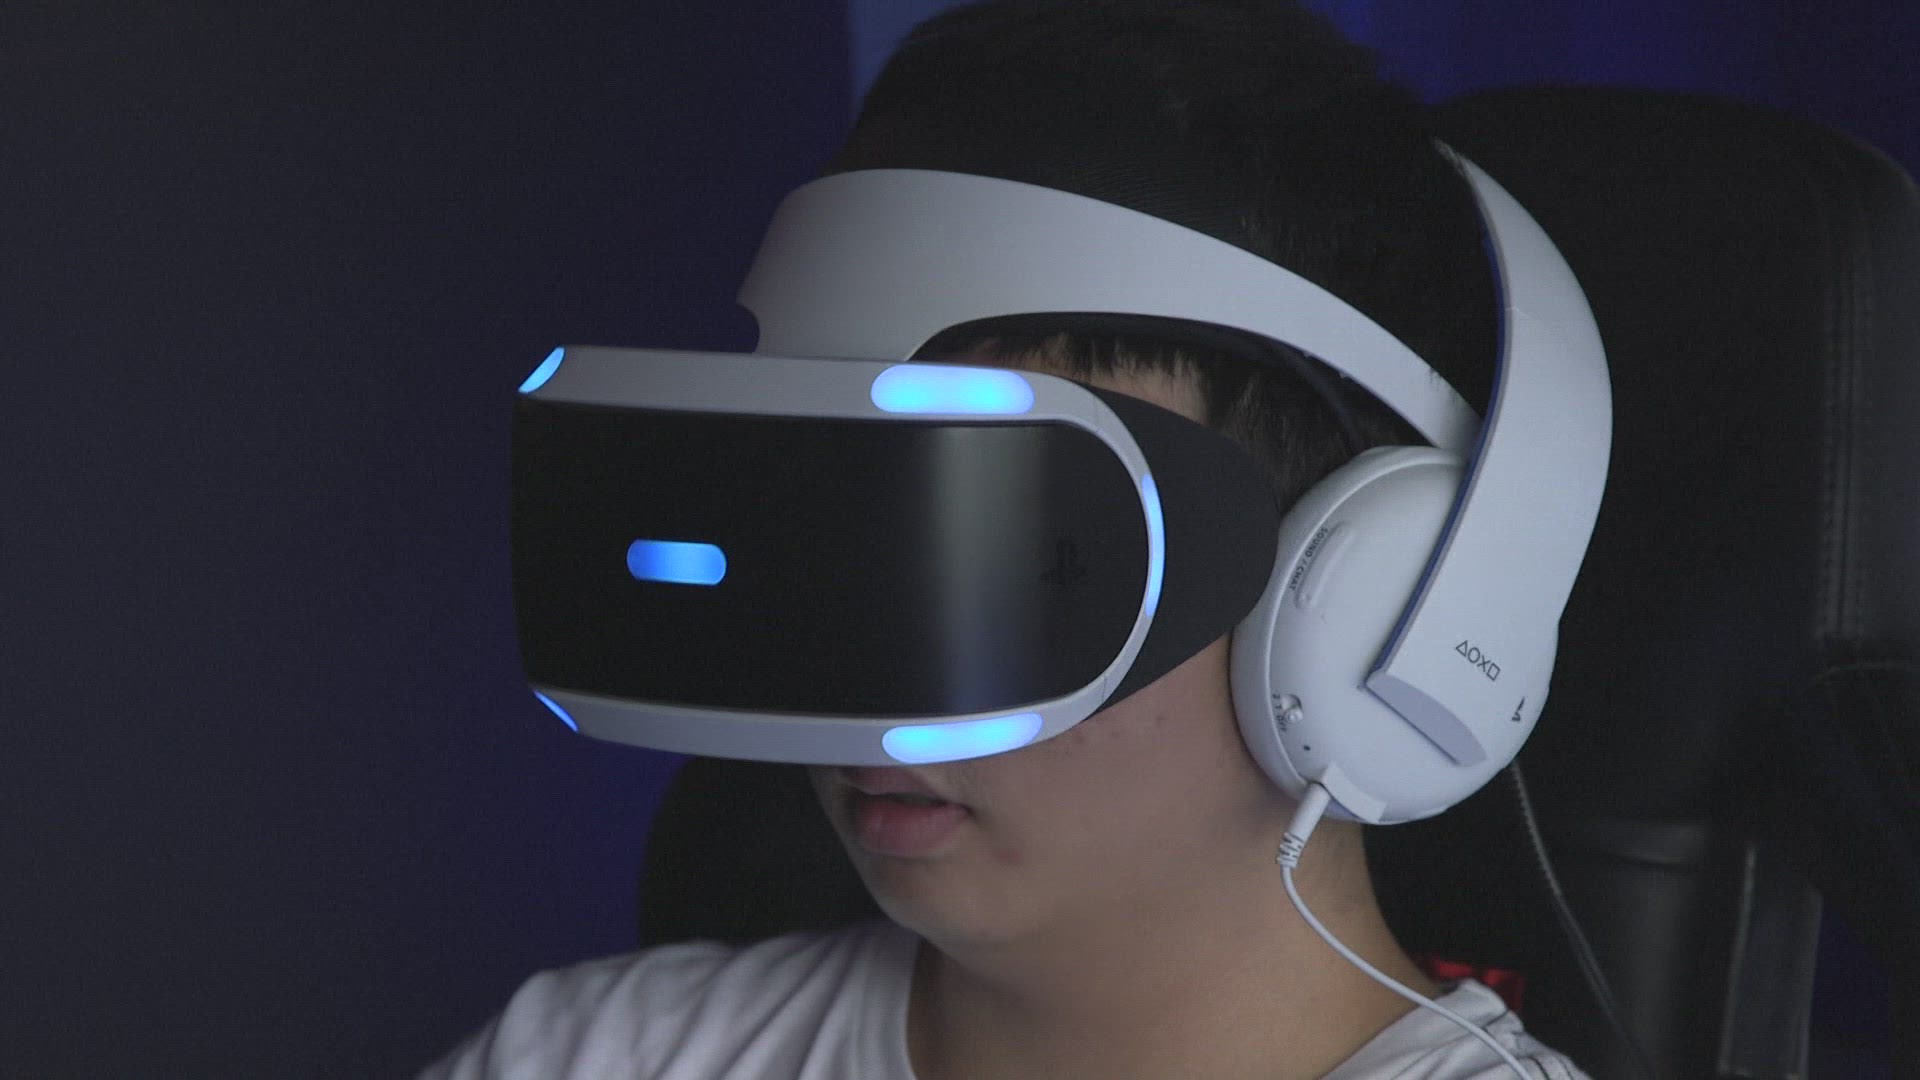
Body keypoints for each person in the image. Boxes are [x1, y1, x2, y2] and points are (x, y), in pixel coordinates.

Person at [423, 1, 1592, 1076]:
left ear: (1378, 598)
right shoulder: (584, 1056)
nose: (866, 663)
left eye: (1005, 547)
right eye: (831, 522)